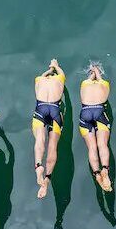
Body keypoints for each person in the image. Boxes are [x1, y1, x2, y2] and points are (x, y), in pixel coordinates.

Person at [32, 59, 66, 199]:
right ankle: (47, 178)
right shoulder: (59, 79)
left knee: (40, 139)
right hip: (54, 109)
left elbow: (43, 75)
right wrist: (56, 66)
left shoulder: (39, 80)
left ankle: (38, 165)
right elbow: (62, 74)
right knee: (52, 145)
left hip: (40, 108)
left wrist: (49, 69)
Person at [79, 63, 113, 191]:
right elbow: (100, 79)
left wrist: (92, 71)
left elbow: (90, 79)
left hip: (85, 112)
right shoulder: (104, 84)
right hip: (99, 111)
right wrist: (97, 71)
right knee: (102, 144)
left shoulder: (84, 84)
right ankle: (105, 169)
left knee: (92, 147)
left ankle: (97, 173)